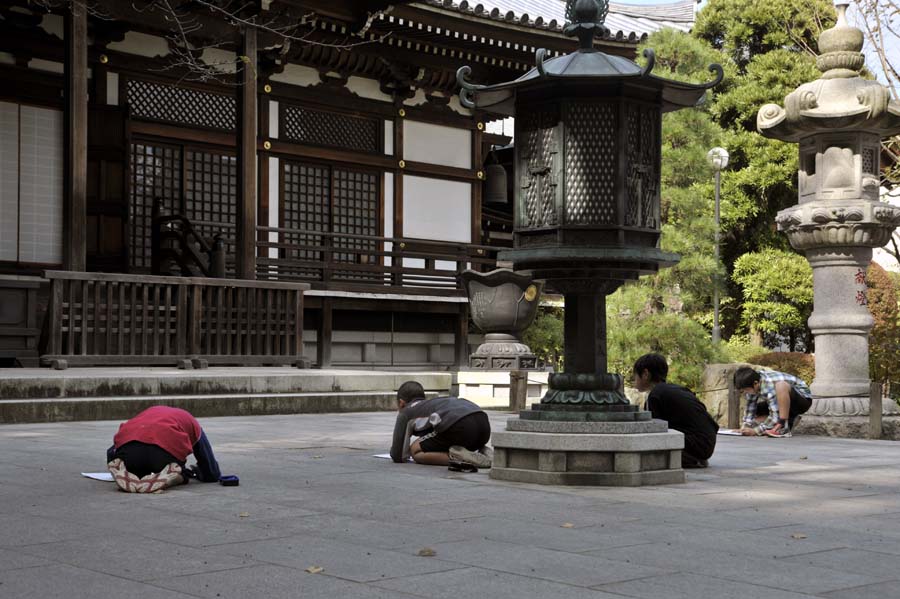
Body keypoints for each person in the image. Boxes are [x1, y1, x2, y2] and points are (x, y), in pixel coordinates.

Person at [633, 353, 719, 468]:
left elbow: (654, 431)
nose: (634, 381)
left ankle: (690, 458)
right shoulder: (675, 389)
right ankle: (693, 458)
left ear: (645, 374)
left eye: (634, 376)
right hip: (707, 443)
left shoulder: (655, 395)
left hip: (696, 444)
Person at [106, 406, 222, 489]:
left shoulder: (147, 413)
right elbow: (211, 472)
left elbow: (114, 447)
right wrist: (198, 472)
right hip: (163, 455)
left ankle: (127, 469)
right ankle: (178, 475)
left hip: (129, 451)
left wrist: (113, 456)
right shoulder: (192, 422)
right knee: (181, 471)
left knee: (136, 460)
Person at [389, 381, 492, 468]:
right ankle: (483, 451)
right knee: (446, 440)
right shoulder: (434, 403)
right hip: (483, 425)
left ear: (401, 403)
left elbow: (398, 455)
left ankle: (460, 459)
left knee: (415, 450)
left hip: (460, 425)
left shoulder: (406, 412)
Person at [733, 366, 812, 438]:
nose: (745, 392)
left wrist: (755, 431)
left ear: (755, 383)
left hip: (801, 401)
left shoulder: (769, 385)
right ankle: (790, 419)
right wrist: (744, 428)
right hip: (783, 403)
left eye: (746, 390)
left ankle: (783, 426)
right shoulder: (752, 383)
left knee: (781, 385)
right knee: (757, 410)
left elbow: (775, 416)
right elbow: (750, 409)